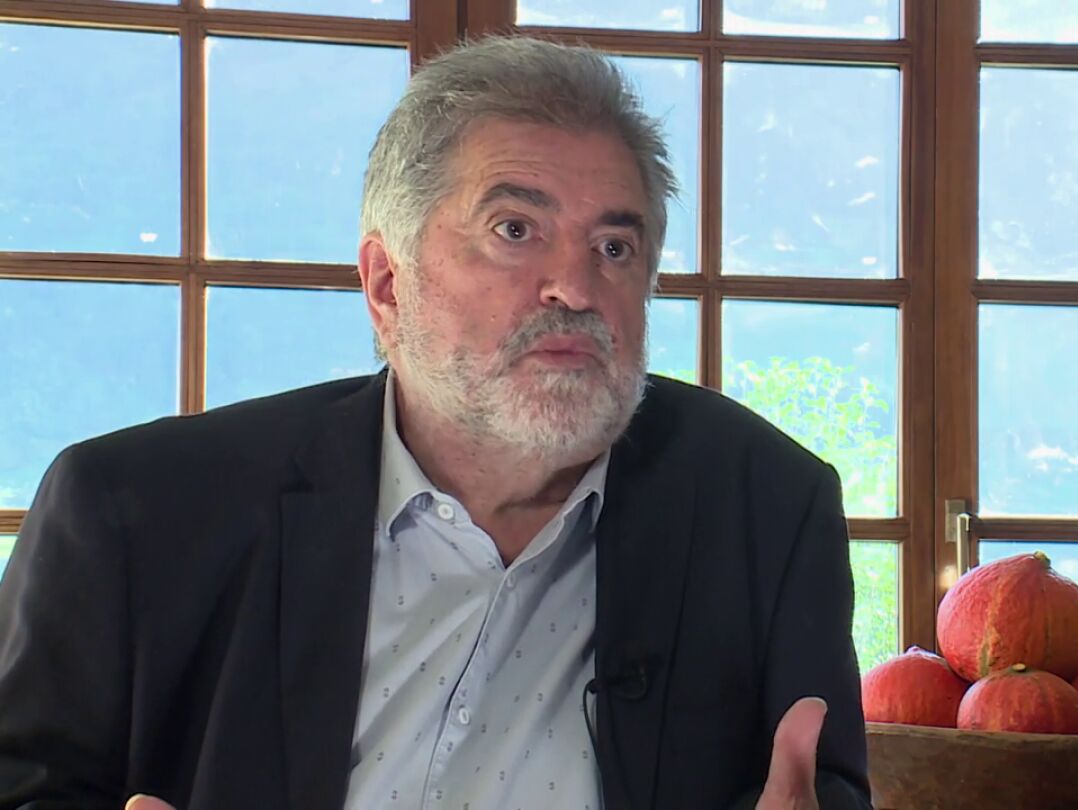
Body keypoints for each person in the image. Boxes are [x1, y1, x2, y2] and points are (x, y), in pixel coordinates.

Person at [0, 35, 870, 810]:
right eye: (515, 229)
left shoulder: (766, 508)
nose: (574, 288)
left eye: (615, 247)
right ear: (387, 284)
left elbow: (815, 791)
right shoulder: (136, 515)